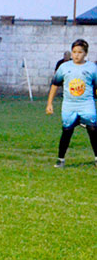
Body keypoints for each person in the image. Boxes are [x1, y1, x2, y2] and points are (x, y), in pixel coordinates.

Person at [45, 39, 97, 168]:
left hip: (87, 104)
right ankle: (61, 159)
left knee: (93, 130)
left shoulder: (92, 68)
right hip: (69, 105)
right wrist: (49, 103)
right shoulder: (64, 67)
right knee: (67, 131)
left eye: (80, 52)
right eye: (74, 52)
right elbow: (55, 85)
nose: (76, 55)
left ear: (85, 53)